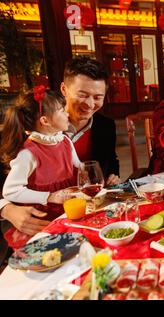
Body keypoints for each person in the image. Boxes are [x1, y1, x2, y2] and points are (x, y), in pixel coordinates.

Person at [0, 88, 81, 248]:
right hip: (42, 223)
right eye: (61, 110)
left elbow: (80, 169)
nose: (67, 113)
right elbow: (10, 191)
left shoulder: (65, 141)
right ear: (45, 121)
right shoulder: (28, 154)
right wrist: (49, 196)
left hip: (68, 213)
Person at [61, 57, 120, 185]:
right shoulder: (42, 124)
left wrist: (113, 177)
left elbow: (111, 161)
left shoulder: (105, 126)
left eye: (98, 97)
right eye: (82, 95)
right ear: (64, 90)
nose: (90, 104)